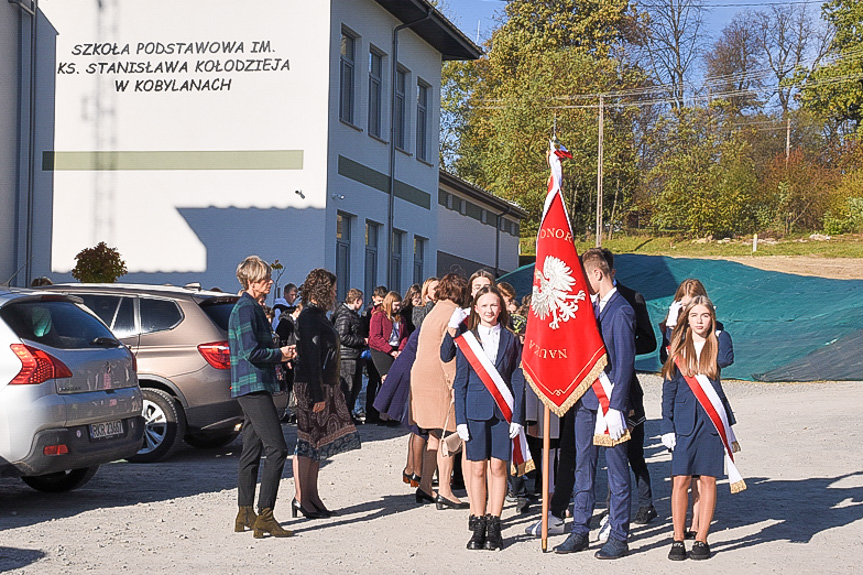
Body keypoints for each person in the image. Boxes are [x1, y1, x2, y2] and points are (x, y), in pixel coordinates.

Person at [554, 248, 635, 560]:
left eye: (585, 277)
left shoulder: (621, 310)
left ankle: (619, 534)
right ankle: (580, 529)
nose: (582, 284)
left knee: (616, 471)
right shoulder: (594, 308)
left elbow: (625, 363)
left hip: (609, 403)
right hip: (586, 401)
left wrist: (616, 406)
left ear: (598, 274)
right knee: (582, 466)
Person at [661, 295, 736, 561]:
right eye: (694, 316)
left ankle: (702, 538)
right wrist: (667, 424)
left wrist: (718, 329)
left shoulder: (718, 342)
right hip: (683, 424)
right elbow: (668, 389)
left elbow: (727, 359)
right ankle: (678, 537)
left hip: (711, 423)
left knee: (707, 480)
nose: (700, 321)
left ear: (712, 317)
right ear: (687, 319)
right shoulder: (679, 347)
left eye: (705, 316)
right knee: (680, 480)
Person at [453, 286, 525, 551]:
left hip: (502, 413)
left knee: (498, 468)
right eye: (484, 306)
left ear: (501, 309)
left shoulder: (511, 339)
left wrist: (518, 415)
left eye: (494, 306)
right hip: (474, 412)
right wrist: (460, 419)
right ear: (475, 309)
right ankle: (478, 522)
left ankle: (495, 524)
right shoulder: (466, 340)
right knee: (477, 468)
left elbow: (517, 378)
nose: (489, 311)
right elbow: (460, 381)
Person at [228, 255, 295, 538]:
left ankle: (245, 512)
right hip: (252, 386)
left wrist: (280, 356)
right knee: (278, 449)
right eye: (265, 279)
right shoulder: (245, 309)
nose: (270, 282)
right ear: (252, 282)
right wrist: (280, 354)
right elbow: (250, 352)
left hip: (254, 385)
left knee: (251, 450)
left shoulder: (251, 306)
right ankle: (265, 513)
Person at [598, 248, 659, 535]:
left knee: (632, 450)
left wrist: (621, 345)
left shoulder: (631, 299)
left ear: (609, 271)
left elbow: (649, 342)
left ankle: (646, 502)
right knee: (607, 452)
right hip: (596, 387)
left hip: (625, 386)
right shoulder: (589, 301)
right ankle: (611, 506)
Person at [293, 268, 361, 519]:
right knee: (307, 441)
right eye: (331, 290)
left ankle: (312, 495)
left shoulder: (319, 315)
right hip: (313, 385)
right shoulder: (310, 316)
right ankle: (302, 498)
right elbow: (310, 356)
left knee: (317, 443)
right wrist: (316, 394)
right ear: (322, 291)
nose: (335, 294)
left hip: (324, 384)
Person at [410, 273, 471, 509]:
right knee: (449, 433)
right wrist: (456, 384)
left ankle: (426, 485)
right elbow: (448, 355)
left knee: (434, 435)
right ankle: (445, 489)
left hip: (422, 376)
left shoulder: (435, 310)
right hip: (439, 378)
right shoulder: (453, 314)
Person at [331, 288, 367, 417]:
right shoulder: (345, 314)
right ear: (357, 300)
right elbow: (342, 336)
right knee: (347, 388)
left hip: (353, 355)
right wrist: (362, 340)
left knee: (355, 387)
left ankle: (348, 415)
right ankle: (344, 416)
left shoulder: (351, 314)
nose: (362, 303)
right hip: (347, 357)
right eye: (361, 300)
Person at [368, 291, 408, 381]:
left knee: (398, 377)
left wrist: (400, 349)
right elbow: (375, 336)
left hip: (396, 348)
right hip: (381, 350)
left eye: (399, 305)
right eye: (396, 305)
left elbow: (405, 335)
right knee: (387, 377)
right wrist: (390, 351)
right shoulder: (378, 316)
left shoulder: (400, 318)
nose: (398, 308)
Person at [361, 286, 387, 424]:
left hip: (379, 349)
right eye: (378, 301)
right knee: (373, 381)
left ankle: (377, 411)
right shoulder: (369, 313)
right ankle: (371, 411)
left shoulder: (373, 311)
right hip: (373, 349)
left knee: (378, 382)